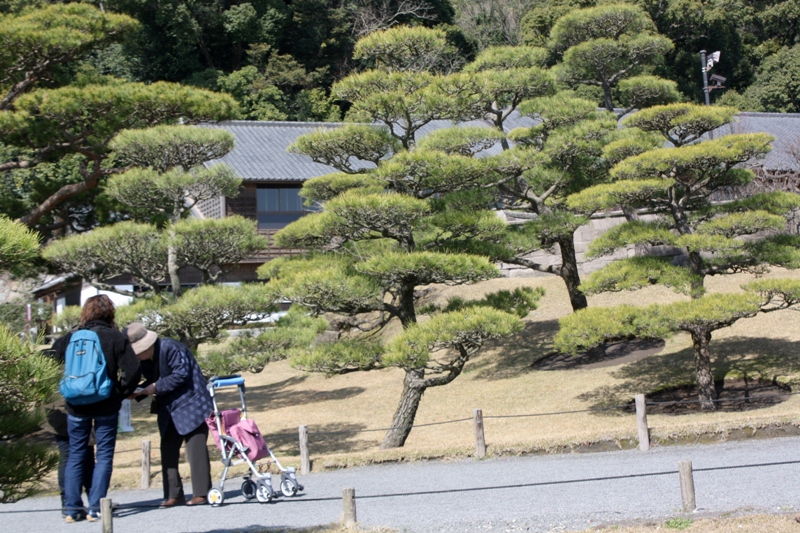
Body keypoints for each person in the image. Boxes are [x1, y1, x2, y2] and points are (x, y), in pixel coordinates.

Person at [54, 295, 141, 523]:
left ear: (86, 312)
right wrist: (119, 393)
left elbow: (51, 360)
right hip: (106, 404)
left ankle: (72, 509)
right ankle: (95, 508)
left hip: (75, 405)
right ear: (110, 313)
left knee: (75, 453)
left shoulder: (71, 337)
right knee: (104, 456)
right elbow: (133, 372)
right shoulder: (115, 337)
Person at [125, 322, 214, 507]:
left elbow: (181, 374)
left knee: (195, 449)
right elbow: (151, 380)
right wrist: (140, 390)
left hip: (193, 403)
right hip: (169, 408)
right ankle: (174, 494)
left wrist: (155, 387)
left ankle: (202, 493)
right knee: (168, 449)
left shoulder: (171, 347)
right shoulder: (146, 360)